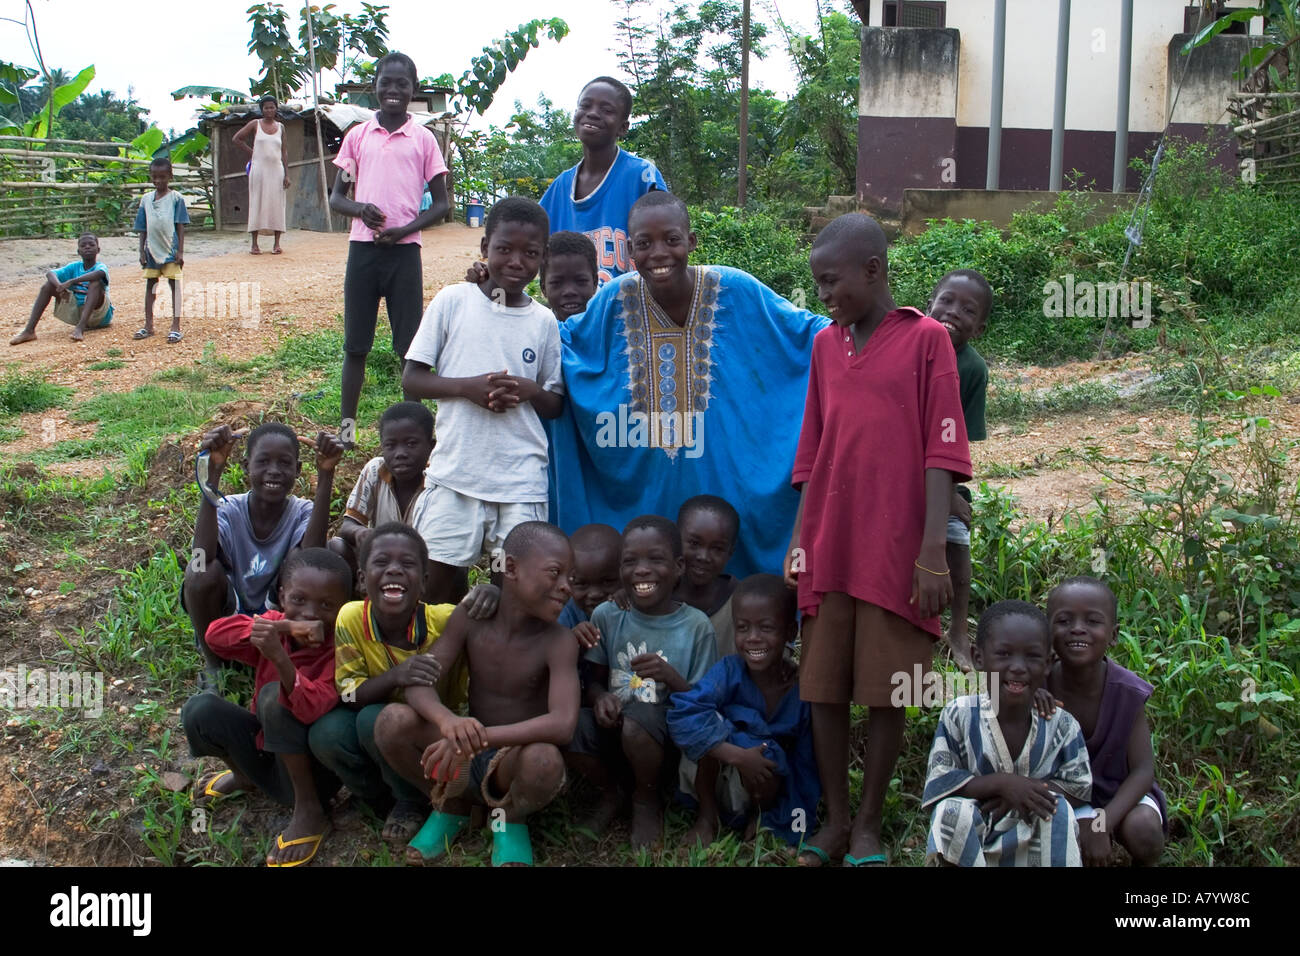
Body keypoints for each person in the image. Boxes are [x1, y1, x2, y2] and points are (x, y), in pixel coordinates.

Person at [785, 213, 972, 867]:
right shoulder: (824, 346)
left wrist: (930, 554)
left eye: (831, 281)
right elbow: (811, 450)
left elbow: (943, 453)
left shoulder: (927, 341)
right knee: (825, 687)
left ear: (873, 270)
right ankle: (835, 822)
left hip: (896, 549)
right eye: (817, 285)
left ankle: (868, 823)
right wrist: (799, 540)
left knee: (890, 690)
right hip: (830, 545)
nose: (825, 296)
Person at [552, 191, 829, 578]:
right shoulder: (615, 298)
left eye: (672, 239)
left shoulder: (735, 288)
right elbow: (564, 343)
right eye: (644, 244)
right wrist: (495, 291)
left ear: (692, 242)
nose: (659, 253)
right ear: (630, 249)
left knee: (732, 580)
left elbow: (806, 333)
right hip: (644, 484)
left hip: (727, 480)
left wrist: (878, 329)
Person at [372, 521, 580, 867]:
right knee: (392, 721)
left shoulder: (559, 641)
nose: (566, 588)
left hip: (512, 757)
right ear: (510, 568)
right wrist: (448, 722)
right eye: (555, 574)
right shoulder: (471, 618)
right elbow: (419, 681)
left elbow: (563, 724)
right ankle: (453, 808)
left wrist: (479, 737)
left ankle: (509, 819)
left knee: (545, 760)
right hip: (463, 752)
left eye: (570, 578)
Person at [403, 197, 563, 604]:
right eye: (504, 249)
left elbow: (555, 404)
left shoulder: (544, 322)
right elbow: (413, 380)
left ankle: (493, 664)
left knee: (510, 587)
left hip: (519, 481)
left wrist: (529, 391)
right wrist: (468, 387)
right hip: (458, 473)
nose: (515, 262)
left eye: (530, 253)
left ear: (542, 257)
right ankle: (447, 661)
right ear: (484, 247)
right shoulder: (453, 301)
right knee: (439, 581)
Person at [181, 547, 351, 867]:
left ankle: (310, 810)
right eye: (299, 600)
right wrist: (281, 629)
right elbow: (215, 636)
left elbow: (312, 706)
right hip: (265, 754)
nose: (310, 614)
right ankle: (244, 776)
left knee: (276, 696)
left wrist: (281, 660)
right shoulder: (276, 625)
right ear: (283, 596)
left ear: (344, 609)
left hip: (314, 775)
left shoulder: (341, 649)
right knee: (199, 710)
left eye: (326, 605)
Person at [308, 523, 469, 845]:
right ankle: (379, 798)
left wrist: (489, 594)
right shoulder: (351, 617)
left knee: (377, 718)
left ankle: (413, 800)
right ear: (362, 579)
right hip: (374, 724)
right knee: (327, 732)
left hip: (429, 733)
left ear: (424, 582)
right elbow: (348, 693)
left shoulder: (445, 620)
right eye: (381, 563)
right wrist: (395, 677)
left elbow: (496, 621)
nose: (394, 570)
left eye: (407, 564)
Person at [566, 515, 717, 848]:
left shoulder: (696, 626)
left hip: (665, 743)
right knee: (567, 724)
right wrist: (600, 696)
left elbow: (705, 703)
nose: (642, 570)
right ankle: (613, 792)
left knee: (639, 722)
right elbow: (593, 679)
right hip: (614, 733)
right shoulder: (607, 615)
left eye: (656, 560)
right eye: (630, 561)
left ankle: (647, 800)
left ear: (679, 567)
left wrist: (670, 677)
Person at [329, 51, 450, 440]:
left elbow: (443, 204)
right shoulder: (357, 137)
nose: (393, 90)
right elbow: (336, 199)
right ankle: (346, 431)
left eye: (402, 84)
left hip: (404, 254)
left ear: (413, 89)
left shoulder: (424, 139)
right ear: (375, 88)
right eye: (386, 82)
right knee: (355, 347)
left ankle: (412, 435)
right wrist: (361, 209)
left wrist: (404, 230)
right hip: (363, 252)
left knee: (409, 350)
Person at [922, 600, 1092, 867]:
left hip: (1031, 828)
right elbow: (941, 783)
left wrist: (1029, 793)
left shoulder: (1062, 725)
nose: (1018, 667)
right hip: (979, 828)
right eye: (1004, 654)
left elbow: (1078, 785)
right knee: (950, 812)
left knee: (1060, 814)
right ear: (978, 658)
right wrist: (1003, 785)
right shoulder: (959, 714)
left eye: (1032, 656)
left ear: (1048, 663)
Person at [183, 422, 344, 689]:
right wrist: (212, 475)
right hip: (231, 614)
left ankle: (292, 656)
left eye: (284, 463)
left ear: (298, 470)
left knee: (307, 561)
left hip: (279, 612)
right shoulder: (227, 508)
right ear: (246, 466)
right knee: (199, 570)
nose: (274, 471)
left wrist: (326, 474)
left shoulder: (303, 511)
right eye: (263, 461)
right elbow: (200, 554)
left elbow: (313, 560)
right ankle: (214, 666)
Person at [668, 573, 819, 848]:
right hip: (714, 777)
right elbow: (683, 713)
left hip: (762, 786)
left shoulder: (801, 693)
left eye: (766, 628)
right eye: (742, 627)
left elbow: (804, 768)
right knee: (710, 719)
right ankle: (707, 817)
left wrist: (791, 824)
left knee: (771, 754)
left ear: (790, 632)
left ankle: (761, 819)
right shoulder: (728, 671)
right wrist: (735, 754)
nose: (753, 638)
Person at [1034, 577, 1167, 866]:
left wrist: (1103, 823)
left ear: (1114, 634)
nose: (1077, 628)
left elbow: (1143, 771)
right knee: (1071, 840)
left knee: (1143, 830)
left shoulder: (1127, 692)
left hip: (1122, 796)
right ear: (1047, 634)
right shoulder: (1035, 688)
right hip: (1068, 797)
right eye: (1064, 620)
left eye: (1093, 621)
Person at [540, 76, 667, 285]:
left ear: (623, 127)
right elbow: (524, 246)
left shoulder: (642, 177)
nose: (592, 113)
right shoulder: (559, 188)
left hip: (631, 311)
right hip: (576, 315)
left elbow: (664, 248)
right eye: (585, 105)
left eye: (606, 110)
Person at [927, 269, 992, 672]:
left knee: (958, 547)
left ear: (980, 328)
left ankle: (957, 632)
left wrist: (949, 494)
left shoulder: (972, 370)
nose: (954, 312)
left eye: (968, 310)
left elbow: (958, 442)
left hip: (941, 474)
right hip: (895, 472)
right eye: (947, 301)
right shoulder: (908, 344)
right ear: (929, 301)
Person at [328, 401, 434, 588]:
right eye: (390, 445)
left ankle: (430, 611)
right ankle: (352, 607)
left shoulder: (437, 481)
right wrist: (360, 532)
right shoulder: (375, 470)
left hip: (420, 568)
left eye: (411, 444)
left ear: (431, 447)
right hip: (380, 563)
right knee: (337, 547)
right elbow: (347, 526)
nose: (400, 453)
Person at [10, 232, 113, 345]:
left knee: (95, 284)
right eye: (83, 245)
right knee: (48, 285)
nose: (87, 247)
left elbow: (99, 274)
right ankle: (29, 331)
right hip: (78, 312)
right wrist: (59, 285)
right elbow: (50, 273)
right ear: (78, 252)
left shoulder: (100, 266)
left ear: (98, 250)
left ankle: (80, 328)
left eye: (91, 245)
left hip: (100, 315)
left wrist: (72, 281)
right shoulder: (74, 267)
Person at [676, 494, 739, 659]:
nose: (703, 556)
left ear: (730, 553)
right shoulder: (655, 593)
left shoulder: (742, 603)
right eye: (694, 543)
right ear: (675, 540)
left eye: (717, 548)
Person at [133, 156, 188, 343]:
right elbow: (142, 227)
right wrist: (141, 251)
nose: (158, 181)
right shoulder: (145, 200)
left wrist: (180, 251)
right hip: (151, 250)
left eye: (162, 177)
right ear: (150, 176)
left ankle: (176, 326)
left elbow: (180, 225)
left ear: (170, 176)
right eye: (154, 177)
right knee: (151, 286)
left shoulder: (176, 199)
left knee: (174, 286)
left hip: (170, 250)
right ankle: (148, 325)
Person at [233, 94, 290, 255]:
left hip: (276, 170)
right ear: (262, 109)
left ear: (276, 109)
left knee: (277, 204)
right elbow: (237, 139)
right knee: (256, 202)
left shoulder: (281, 127)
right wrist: (253, 153)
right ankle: (254, 244)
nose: (269, 110)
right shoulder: (255, 124)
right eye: (266, 107)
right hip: (258, 170)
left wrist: (286, 174)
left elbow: (284, 151)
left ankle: (276, 244)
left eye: (272, 107)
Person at [541, 231, 599, 320]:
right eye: (557, 283)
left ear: (594, 283)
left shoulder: (608, 327)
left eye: (580, 281)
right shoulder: (536, 328)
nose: (569, 292)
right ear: (543, 287)